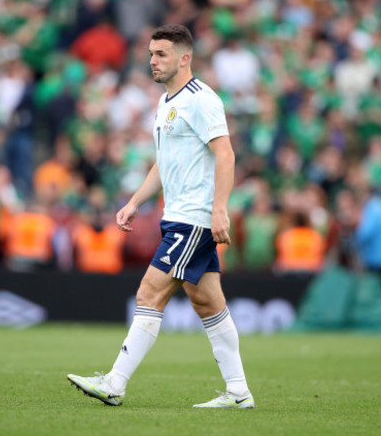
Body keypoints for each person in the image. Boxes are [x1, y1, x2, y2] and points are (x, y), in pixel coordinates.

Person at [67, 24, 253, 409]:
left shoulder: (202, 100)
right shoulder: (167, 101)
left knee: (149, 293)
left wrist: (220, 210)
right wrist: (135, 201)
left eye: (162, 54)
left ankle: (115, 383)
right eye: (151, 53)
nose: (153, 61)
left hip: (194, 219)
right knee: (207, 304)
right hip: (179, 216)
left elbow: (226, 155)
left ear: (184, 58)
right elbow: (164, 165)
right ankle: (238, 392)